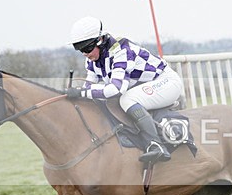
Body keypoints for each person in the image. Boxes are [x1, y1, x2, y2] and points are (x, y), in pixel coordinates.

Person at [67, 16, 184, 164]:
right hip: (144, 87)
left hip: (166, 83)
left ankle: (156, 145)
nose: (86, 54)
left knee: (127, 99)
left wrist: (81, 92)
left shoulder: (121, 51)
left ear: (100, 40)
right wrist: (75, 94)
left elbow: (116, 89)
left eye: (87, 49)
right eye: (80, 50)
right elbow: (89, 86)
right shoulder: (92, 59)